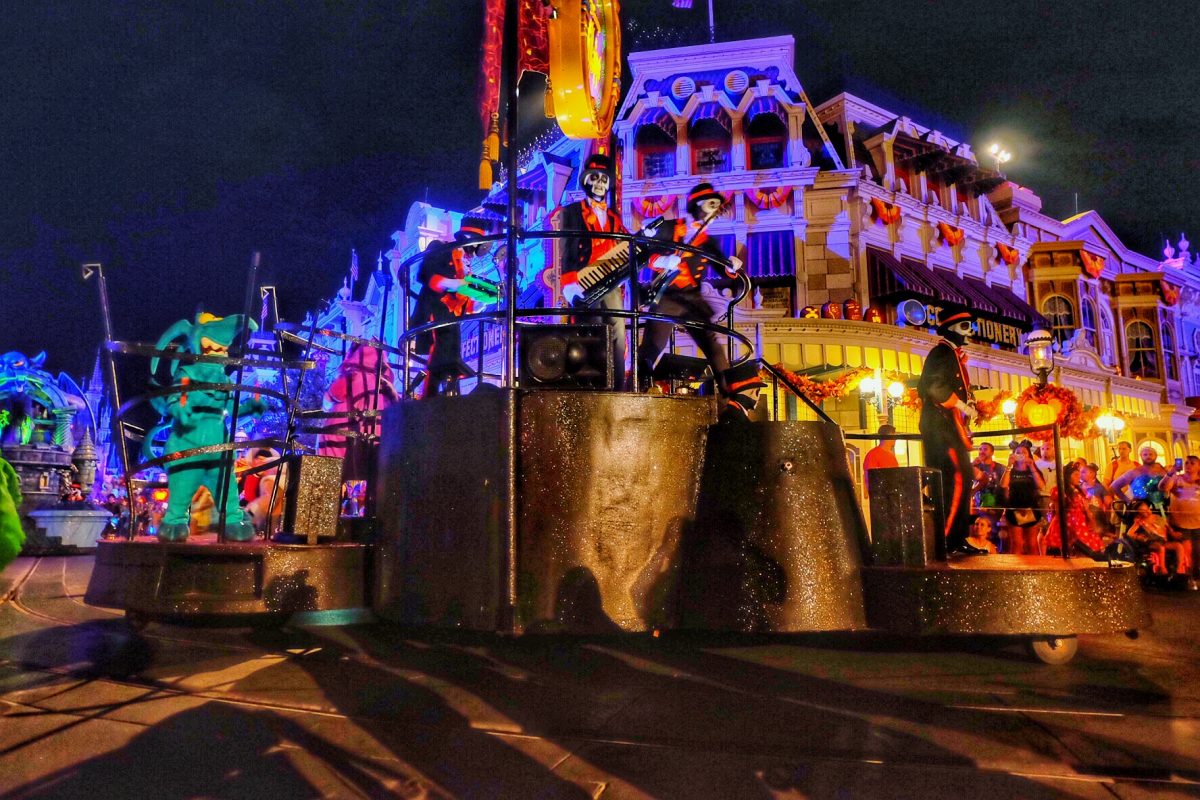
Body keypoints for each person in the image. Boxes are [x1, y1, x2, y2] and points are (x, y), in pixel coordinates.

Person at [637, 182, 762, 419]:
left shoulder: (707, 241)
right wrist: (662, 261)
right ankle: (642, 386)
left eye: (716, 205)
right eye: (710, 204)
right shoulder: (671, 228)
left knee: (713, 346)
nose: (713, 209)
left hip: (692, 301)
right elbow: (644, 252)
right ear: (697, 205)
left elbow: (722, 265)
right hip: (667, 295)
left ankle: (728, 401)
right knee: (654, 344)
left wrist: (732, 266)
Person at [556, 153, 633, 382]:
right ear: (587, 181)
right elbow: (568, 248)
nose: (599, 183)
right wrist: (570, 284)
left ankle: (617, 384)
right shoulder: (571, 211)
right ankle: (595, 383)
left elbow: (625, 242)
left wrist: (645, 242)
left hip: (609, 279)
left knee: (618, 329)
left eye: (603, 179)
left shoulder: (613, 216)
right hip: (584, 278)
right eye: (595, 178)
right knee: (593, 327)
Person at [917, 309, 985, 555]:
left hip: (948, 426)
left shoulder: (952, 356)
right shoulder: (941, 353)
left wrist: (970, 405)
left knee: (961, 477)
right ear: (951, 328)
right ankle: (945, 539)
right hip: (939, 426)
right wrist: (962, 404)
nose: (971, 331)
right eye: (966, 326)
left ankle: (956, 538)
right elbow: (933, 387)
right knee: (956, 476)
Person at [412, 217, 491, 396]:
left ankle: (450, 393)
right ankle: (430, 396)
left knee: (451, 355)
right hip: (434, 310)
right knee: (441, 353)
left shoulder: (464, 266)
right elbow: (427, 276)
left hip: (451, 318)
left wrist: (480, 301)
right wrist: (457, 283)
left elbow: (463, 300)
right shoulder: (441, 248)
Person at [1044, 463, 1106, 559]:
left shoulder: (1079, 491)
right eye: (1076, 475)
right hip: (1067, 524)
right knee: (1067, 549)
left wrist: (1091, 521)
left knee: (1085, 549)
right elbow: (1058, 511)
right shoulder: (1059, 491)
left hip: (1080, 524)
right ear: (1067, 476)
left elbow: (1085, 509)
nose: (1079, 477)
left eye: (1079, 474)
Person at [1158, 455, 1200, 590]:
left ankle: (1196, 578)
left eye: (1192, 463)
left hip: (1198, 523)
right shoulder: (1177, 479)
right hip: (1181, 524)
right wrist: (1170, 473)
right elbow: (1163, 487)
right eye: (1186, 463)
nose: (1188, 465)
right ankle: (1188, 578)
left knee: (1198, 552)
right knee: (1188, 552)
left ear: (1198, 466)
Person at [1000, 443, 1045, 555]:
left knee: (1032, 543)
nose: (1021, 454)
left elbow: (1041, 486)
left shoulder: (1033, 470)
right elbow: (1003, 485)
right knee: (1017, 543)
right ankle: (1015, 570)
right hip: (1014, 508)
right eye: (1018, 452)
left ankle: (1035, 569)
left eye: (1024, 452)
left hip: (1031, 508)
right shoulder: (1011, 470)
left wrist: (1031, 466)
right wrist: (1009, 465)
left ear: (1029, 455)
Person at [1125, 499, 1189, 578]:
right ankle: (1162, 568)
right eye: (1144, 511)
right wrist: (1138, 536)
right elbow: (1129, 533)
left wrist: (1173, 533)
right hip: (1152, 543)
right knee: (1160, 548)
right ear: (1139, 513)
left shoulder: (1157, 517)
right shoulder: (1140, 521)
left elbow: (1168, 528)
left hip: (1163, 541)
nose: (1148, 511)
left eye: (1148, 509)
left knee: (1178, 546)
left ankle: (1179, 569)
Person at [972, 441, 1005, 515]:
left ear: (992, 453)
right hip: (977, 505)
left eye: (985, 449)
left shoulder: (1000, 468)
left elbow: (1005, 486)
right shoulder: (975, 466)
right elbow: (963, 476)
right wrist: (972, 464)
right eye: (980, 449)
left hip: (995, 507)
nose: (981, 451)